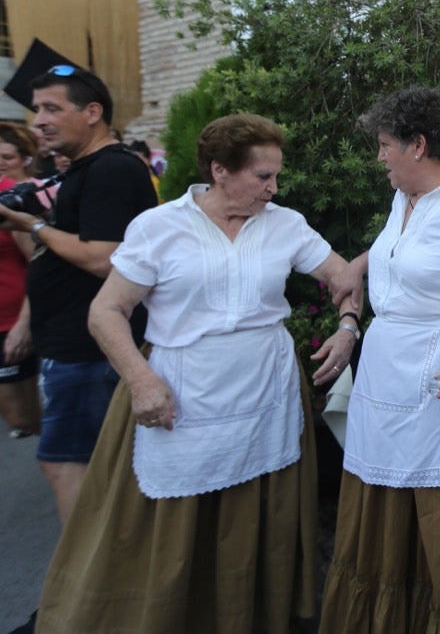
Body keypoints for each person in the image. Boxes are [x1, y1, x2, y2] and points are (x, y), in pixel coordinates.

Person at [33, 113, 358, 632]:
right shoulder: (160, 226)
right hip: (178, 390)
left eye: (276, 176)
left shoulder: (286, 224)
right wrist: (141, 379)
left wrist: (347, 327)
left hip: (264, 386)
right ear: (219, 170)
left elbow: (343, 277)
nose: (274, 188)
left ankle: (246, 617)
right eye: (262, 177)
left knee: (256, 515)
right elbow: (106, 311)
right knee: (169, 522)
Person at [320, 86, 440, 633]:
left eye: (385, 144)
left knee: (438, 510)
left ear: (418, 145)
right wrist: (357, 267)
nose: (379, 155)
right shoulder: (402, 200)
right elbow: (400, 251)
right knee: (381, 509)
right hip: (386, 372)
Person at [0, 65, 157, 527]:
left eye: (52, 108)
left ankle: (85, 585)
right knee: (87, 466)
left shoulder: (111, 168)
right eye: (36, 110)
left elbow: (104, 258)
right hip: (75, 345)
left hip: (90, 350)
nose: (39, 121)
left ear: (92, 112)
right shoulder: (91, 168)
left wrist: (30, 224)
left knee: (71, 465)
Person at [0, 123, 39, 438]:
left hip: (8, 322)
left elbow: (36, 263)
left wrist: (23, 324)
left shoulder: (10, 197)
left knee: (21, 416)